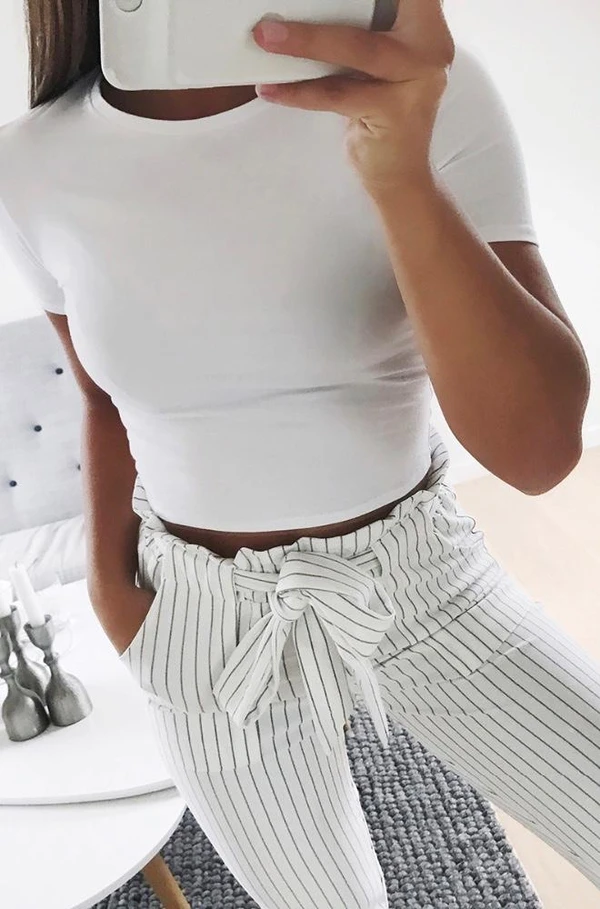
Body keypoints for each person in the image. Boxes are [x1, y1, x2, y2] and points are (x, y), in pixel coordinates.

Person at [1, 1, 597, 906]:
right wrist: (114, 591)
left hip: (422, 579)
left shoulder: (418, 94)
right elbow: (102, 399)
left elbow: (539, 453)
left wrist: (401, 174)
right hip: (200, 622)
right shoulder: (32, 165)